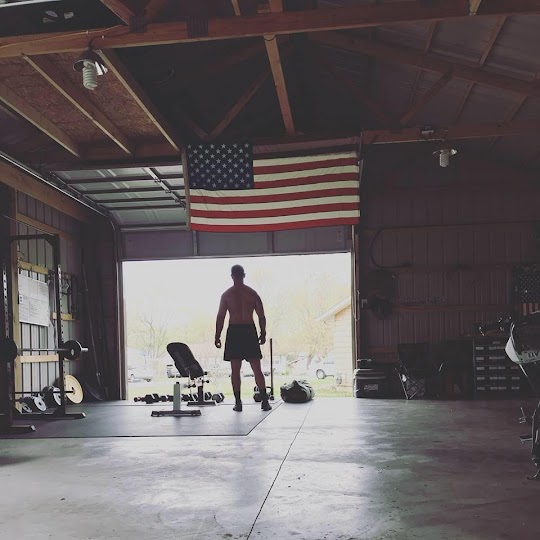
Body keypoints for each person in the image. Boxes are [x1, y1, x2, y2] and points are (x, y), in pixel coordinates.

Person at [215, 264, 272, 412]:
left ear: (232, 276)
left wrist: (217, 335)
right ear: (244, 275)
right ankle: (264, 401)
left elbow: (221, 317)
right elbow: (261, 315)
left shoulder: (227, 295)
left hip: (234, 331)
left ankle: (238, 403)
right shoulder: (252, 294)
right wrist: (263, 332)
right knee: (256, 368)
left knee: (235, 370)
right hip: (248, 330)